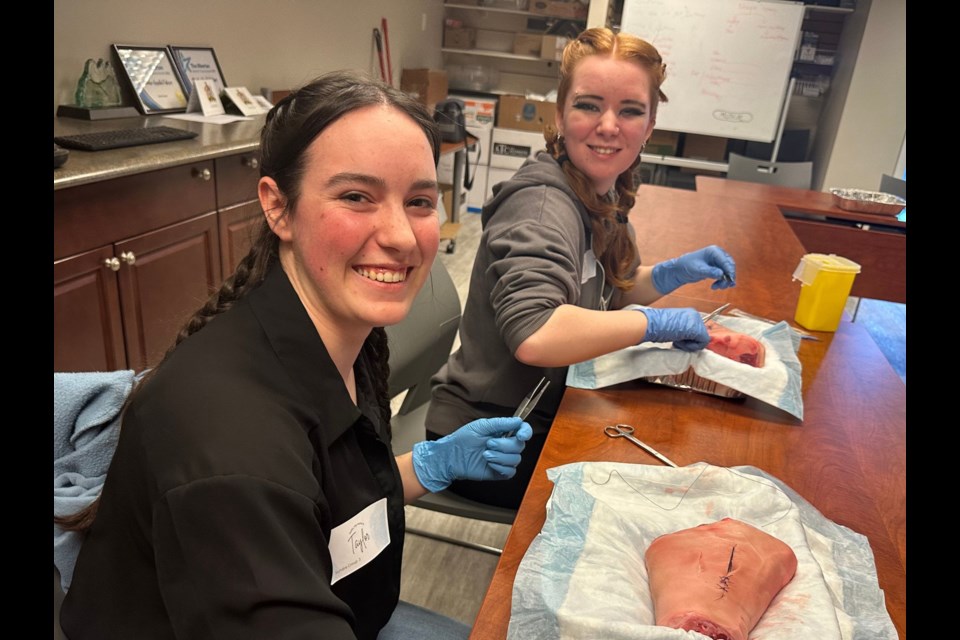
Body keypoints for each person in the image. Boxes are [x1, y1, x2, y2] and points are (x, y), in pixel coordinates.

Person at [57, 71, 532, 640]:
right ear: (278, 207)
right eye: (356, 196)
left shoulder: (349, 339)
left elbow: (323, 498)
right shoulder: (230, 442)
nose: (403, 236)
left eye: (420, 201)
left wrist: (427, 467)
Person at [425, 28, 736, 510]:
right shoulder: (543, 205)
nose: (608, 125)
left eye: (630, 110)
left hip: (549, 405)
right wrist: (653, 325)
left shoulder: (597, 188)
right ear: (559, 115)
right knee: (664, 491)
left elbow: (609, 293)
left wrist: (672, 274)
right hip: (489, 438)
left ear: (650, 125)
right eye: (589, 105)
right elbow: (536, 333)